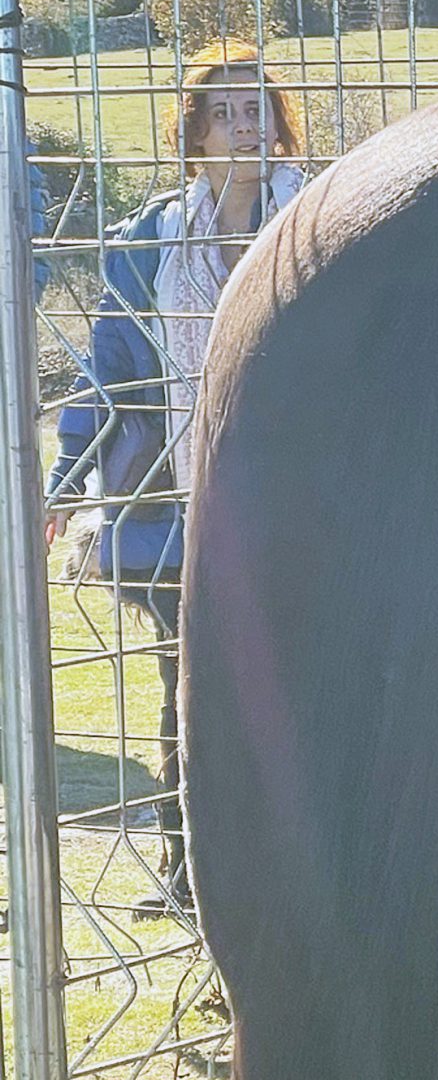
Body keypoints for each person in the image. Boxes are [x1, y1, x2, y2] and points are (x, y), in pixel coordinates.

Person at [45, 48, 303, 913]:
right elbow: (107, 374)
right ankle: (189, 867)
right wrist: (64, 479)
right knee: (185, 684)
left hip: (300, 500)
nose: (247, 125)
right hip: (178, 504)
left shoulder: (318, 218)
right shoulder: (152, 240)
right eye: (225, 112)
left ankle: (294, 866)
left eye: (258, 108)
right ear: (193, 135)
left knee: (297, 682)